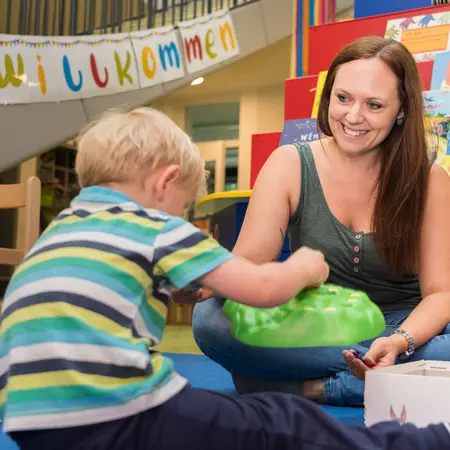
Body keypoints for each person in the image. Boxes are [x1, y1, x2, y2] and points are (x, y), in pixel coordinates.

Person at [0, 107, 448, 450]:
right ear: (165, 182)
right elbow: (262, 288)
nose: (181, 216)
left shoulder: (62, 228)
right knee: (275, 421)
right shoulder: (156, 225)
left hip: (29, 420)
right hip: (120, 410)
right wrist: (304, 267)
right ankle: (420, 442)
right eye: (183, 205)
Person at [186, 35, 450, 406]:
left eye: (373, 104)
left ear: (401, 111)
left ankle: (314, 388)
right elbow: (249, 264)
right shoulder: (289, 163)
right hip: (315, 328)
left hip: (406, 331)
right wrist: (204, 278)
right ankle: (384, 380)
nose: (352, 117)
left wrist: (398, 341)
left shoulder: (431, 179)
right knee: (211, 320)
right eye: (343, 98)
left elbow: (440, 294)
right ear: (328, 97)